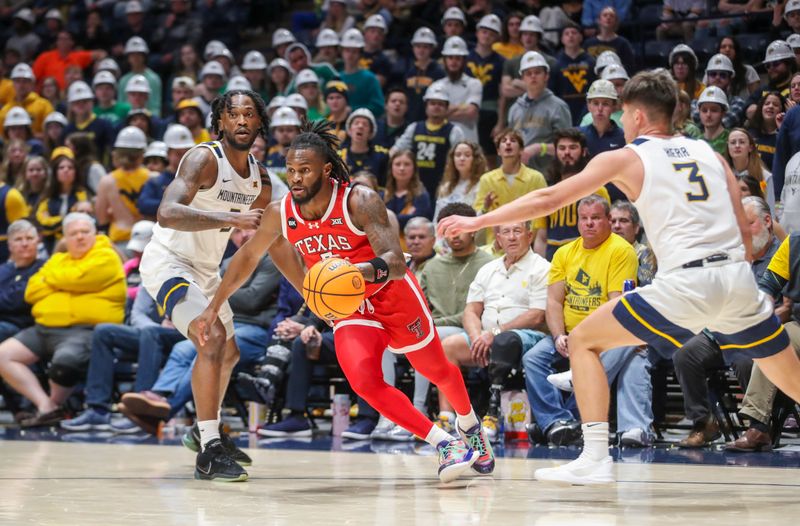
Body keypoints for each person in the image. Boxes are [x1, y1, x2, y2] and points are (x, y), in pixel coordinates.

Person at [438, 69, 800, 485]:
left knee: (585, 340)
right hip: (737, 281)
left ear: (638, 117)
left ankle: (594, 458)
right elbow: (747, 233)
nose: (622, 123)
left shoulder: (628, 156)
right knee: (790, 377)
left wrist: (478, 220)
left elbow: (549, 197)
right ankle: (582, 385)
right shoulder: (712, 155)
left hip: (685, 283)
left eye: (624, 115)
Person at [195, 119, 494, 483]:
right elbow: (248, 257)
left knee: (435, 370)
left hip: (392, 293)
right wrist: (214, 306)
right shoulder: (281, 212)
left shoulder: (359, 199)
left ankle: (469, 423)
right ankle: (446, 443)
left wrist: (355, 274)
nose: (296, 178)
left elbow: (397, 263)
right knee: (363, 381)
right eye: (290, 170)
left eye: (304, 170)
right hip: (349, 305)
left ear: (325, 168)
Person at [138, 89, 274, 482]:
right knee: (210, 339)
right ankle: (210, 451)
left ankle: (202, 429)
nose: (243, 121)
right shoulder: (203, 158)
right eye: (235, 115)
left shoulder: (261, 180)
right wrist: (228, 219)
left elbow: (273, 239)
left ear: (259, 124)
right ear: (220, 123)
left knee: (230, 354)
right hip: (170, 263)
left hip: (207, 271)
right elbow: (166, 213)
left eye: (250, 114)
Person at [0, 213, 126, 428]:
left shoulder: (106, 257)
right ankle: (47, 407)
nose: (79, 237)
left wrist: (52, 280)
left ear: (95, 234)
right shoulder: (58, 259)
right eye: (73, 234)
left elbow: (78, 278)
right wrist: (66, 281)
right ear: (65, 239)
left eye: (85, 232)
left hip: (84, 330)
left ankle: (51, 405)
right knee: (4, 355)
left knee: (64, 363)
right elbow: (31, 291)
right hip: (42, 329)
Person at [438, 219, 549, 441]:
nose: (511, 237)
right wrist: (476, 337)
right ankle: (448, 416)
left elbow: (537, 315)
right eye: (505, 232)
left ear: (529, 236)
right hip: (486, 337)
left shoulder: (542, 267)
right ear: (498, 240)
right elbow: (471, 310)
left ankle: (492, 414)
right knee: (448, 347)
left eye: (517, 231)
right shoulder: (488, 269)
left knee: (504, 341)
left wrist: (495, 333)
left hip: (526, 336)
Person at [534, 129, 610, 261]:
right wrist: (540, 269)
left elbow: (607, 232)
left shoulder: (597, 190)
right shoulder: (548, 191)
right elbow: (541, 237)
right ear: (556, 153)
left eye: (573, 148)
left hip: (587, 261)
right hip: (553, 262)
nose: (567, 153)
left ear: (584, 152)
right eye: (562, 148)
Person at [392, 83, 465, 198]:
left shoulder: (454, 131)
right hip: (414, 184)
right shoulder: (414, 128)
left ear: (447, 108)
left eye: (440, 104)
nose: (436, 107)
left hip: (443, 185)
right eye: (433, 103)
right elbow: (395, 152)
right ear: (426, 106)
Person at [508, 51, 571, 174]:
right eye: (528, 73)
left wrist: (539, 148)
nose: (533, 76)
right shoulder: (515, 108)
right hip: (519, 176)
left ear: (546, 76)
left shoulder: (558, 107)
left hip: (548, 176)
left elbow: (568, 147)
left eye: (537, 72)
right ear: (523, 78)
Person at [0, 220, 44, 342]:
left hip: (22, 327)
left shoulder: (45, 268)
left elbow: (17, 300)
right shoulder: (3, 269)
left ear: (38, 242)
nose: (24, 243)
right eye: (18, 239)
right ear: (10, 245)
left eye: (29, 238)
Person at [433, 141, 486, 229]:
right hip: (445, 238)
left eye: (467, 155)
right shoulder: (446, 187)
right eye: (458, 155)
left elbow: (478, 218)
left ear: (475, 159)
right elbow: (436, 219)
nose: (462, 158)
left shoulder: (481, 185)